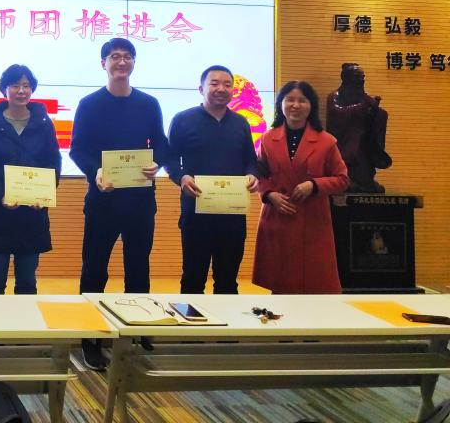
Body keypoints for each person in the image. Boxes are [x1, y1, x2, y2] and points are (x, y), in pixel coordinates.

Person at [70, 38, 169, 371]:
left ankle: (137, 329)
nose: (121, 62)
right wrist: (95, 171)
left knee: (138, 268)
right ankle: (90, 338)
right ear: (104, 63)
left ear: (134, 63)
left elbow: (162, 144)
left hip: (141, 201)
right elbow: (78, 149)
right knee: (94, 269)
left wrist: (157, 163)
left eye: (127, 56)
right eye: (115, 57)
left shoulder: (149, 104)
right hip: (103, 200)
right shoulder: (89, 104)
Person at [0, 64, 62, 295]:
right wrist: (0, 194)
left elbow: (53, 161)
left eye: (26, 86)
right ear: (5, 89)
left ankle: (26, 321)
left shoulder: (44, 123)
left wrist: (44, 194)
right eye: (15, 85)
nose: (21, 91)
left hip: (32, 215)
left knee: (27, 282)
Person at [165, 65, 258, 295]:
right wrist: (181, 177)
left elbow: (250, 160)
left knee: (228, 281)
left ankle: (226, 320)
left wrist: (252, 175)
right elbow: (169, 158)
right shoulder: (183, 119)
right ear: (201, 89)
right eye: (214, 83)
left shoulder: (241, 123)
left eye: (227, 84)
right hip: (196, 212)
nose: (221, 89)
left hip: (232, 214)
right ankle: (190, 320)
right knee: (192, 279)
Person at [253, 80, 350, 294]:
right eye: (289, 100)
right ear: (280, 104)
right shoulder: (267, 139)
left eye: (302, 100)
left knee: (314, 284)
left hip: (312, 221)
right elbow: (260, 174)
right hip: (278, 217)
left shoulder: (326, 141)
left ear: (311, 105)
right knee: (280, 284)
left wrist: (314, 185)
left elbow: (342, 179)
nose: (295, 105)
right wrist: (269, 195)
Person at [325, 62, 392, 193]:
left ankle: (366, 179)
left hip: (362, 138)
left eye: (362, 78)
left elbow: (371, 105)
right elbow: (336, 112)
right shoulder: (335, 96)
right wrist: (360, 108)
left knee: (380, 118)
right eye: (357, 78)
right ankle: (346, 180)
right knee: (350, 154)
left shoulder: (362, 96)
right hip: (345, 139)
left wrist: (377, 111)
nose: (360, 81)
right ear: (347, 78)